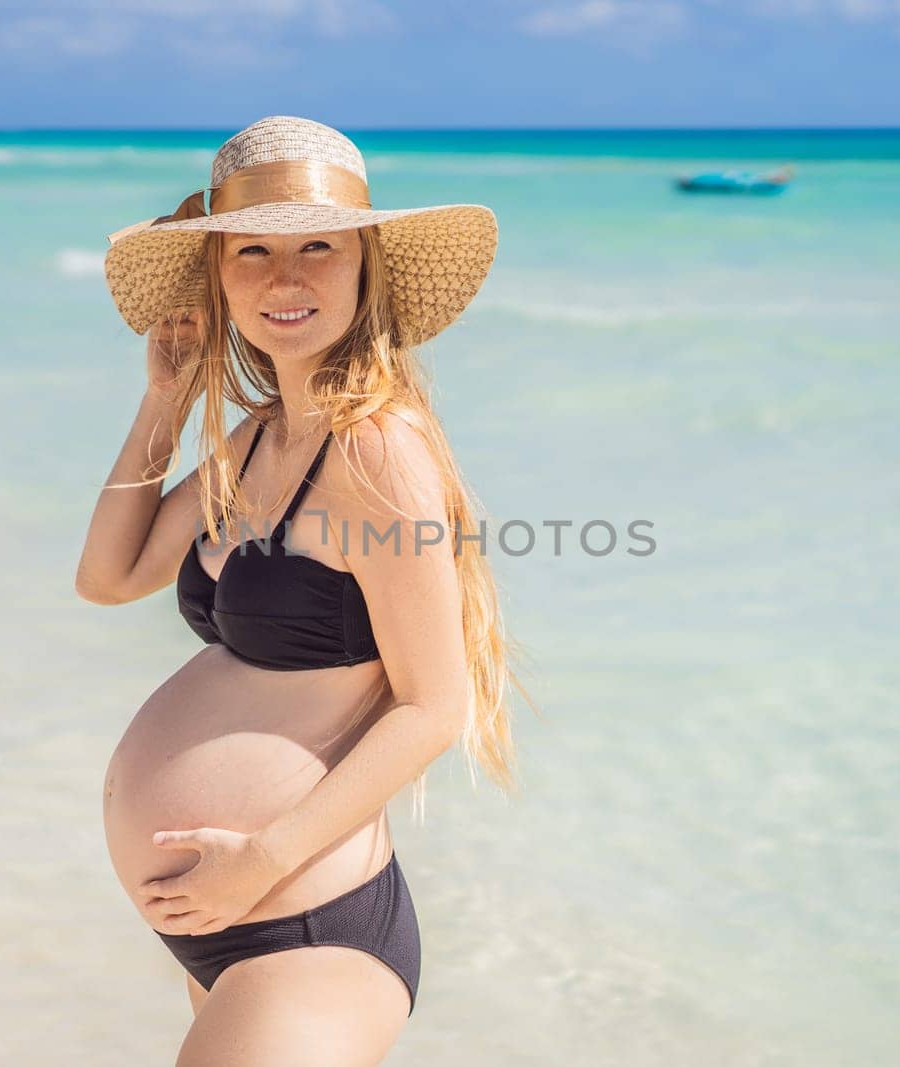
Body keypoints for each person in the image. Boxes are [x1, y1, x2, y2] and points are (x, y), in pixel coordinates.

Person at [77, 115, 532, 1064]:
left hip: (303, 926)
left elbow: (432, 705)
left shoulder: (376, 450)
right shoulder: (254, 438)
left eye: (317, 246)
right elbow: (109, 576)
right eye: (253, 251)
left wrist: (262, 861)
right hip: (229, 919)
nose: (285, 277)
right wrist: (166, 396)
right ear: (221, 280)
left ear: (364, 267)